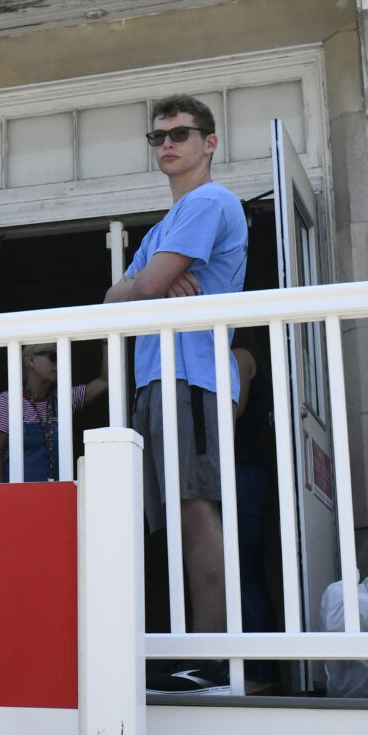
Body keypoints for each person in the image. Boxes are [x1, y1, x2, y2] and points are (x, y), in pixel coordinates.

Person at [104, 93, 249, 633]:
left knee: (194, 509)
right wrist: (144, 286)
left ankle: (215, 660)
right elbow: (112, 301)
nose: (167, 144)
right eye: (158, 137)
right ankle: (197, 651)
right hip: (157, 380)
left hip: (192, 377)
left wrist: (143, 286)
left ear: (208, 143)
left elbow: (144, 286)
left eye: (179, 134)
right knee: (172, 515)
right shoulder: (162, 228)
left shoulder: (210, 202)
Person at [0, 345, 95, 483]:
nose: (59, 363)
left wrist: (105, 341)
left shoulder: (62, 399)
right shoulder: (8, 400)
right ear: (31, 361)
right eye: (53, 357)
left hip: (51, 495)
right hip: (14, 496)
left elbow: (105, 381)